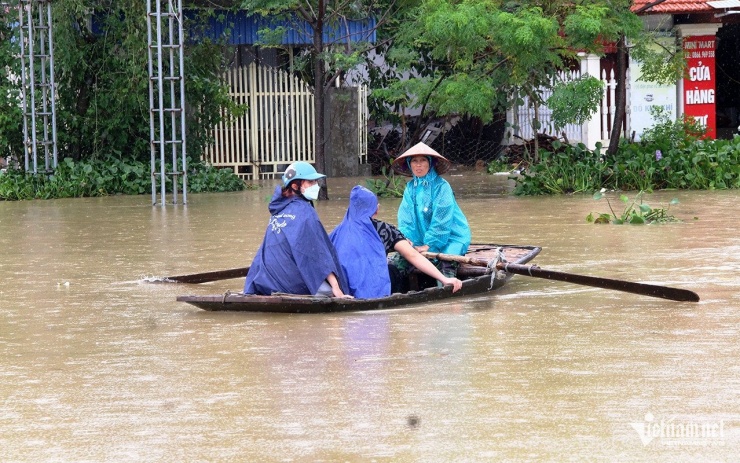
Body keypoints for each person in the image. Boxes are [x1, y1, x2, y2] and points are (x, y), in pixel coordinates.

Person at [329, 185, 463, 298]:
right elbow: (413, 256)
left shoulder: (336, 232)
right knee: (393, 270)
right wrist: (444, 279)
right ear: (376, 209)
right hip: (373, 291)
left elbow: (324, 261)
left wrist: (336, 288)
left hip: (343, 288)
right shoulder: (384, 230)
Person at [244, 161, 351, 298]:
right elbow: (319, 255)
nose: (315, 186)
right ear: (295, 185)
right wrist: (337, 289)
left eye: (315, 182)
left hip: (267, 281)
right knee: (329, 291)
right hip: (290, 284)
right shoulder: (305, 212)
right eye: (310, 182)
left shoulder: (278, 211)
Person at [392, 142, 471, 278]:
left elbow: (442, 222)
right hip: (421, 239)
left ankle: (446, 292)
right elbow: (406, 220)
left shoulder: (442, 187)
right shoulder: (410, 188)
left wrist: (429, 245)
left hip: (452, 237)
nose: (418, 165)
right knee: (398, 263)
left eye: (423, 160)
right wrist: (407, 241)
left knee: (446, 264)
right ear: (409, 164)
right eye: (414, 161)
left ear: (430, 163)